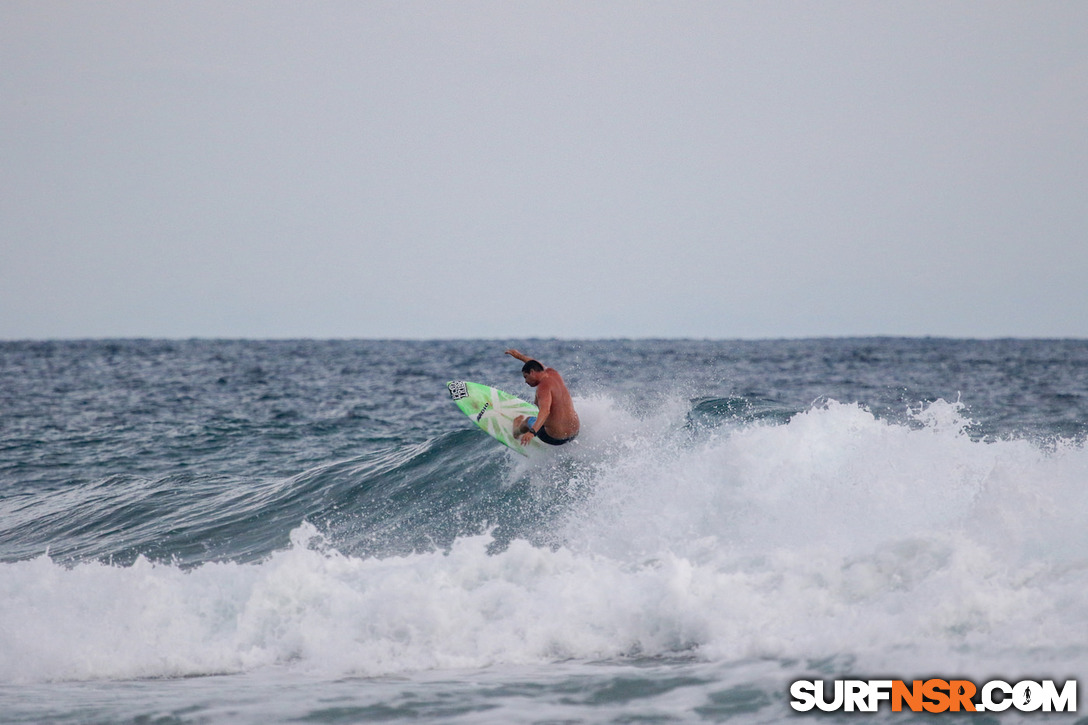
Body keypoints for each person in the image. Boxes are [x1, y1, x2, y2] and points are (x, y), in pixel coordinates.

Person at [504, 349, 580, 446]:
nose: (525, 381)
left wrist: (532, 432)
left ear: (532, 372)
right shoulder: (553, 373)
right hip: (575, 433)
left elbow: (545, 411)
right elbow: (537, 365)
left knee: (528, 421)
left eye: (525, 377)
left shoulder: (543, 388)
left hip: (555, 438)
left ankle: (516, 432)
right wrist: (519, 356)